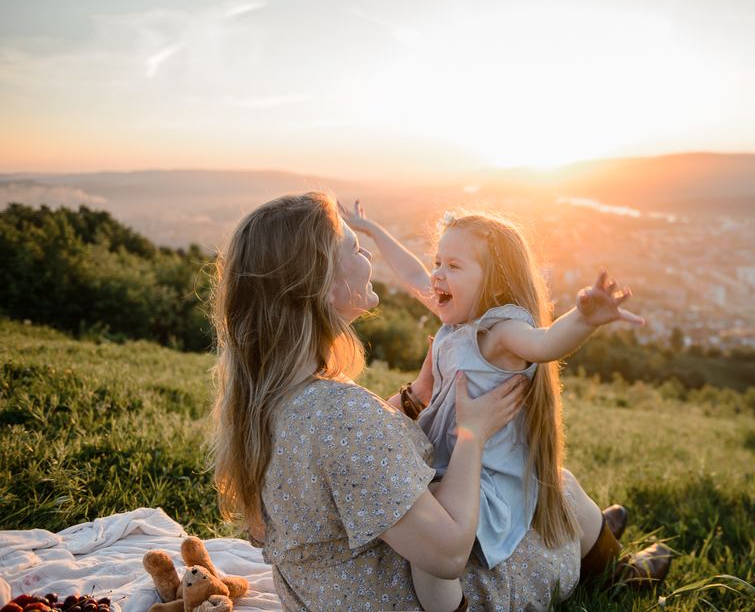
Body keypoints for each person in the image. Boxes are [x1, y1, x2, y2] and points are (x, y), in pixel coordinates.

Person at [210, 192, 668, 612]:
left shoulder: (272, 398)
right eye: (353, 248)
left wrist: (411, 400)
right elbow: (448, 553)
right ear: (322, 287)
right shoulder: (341, 415)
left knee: (554, 494)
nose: (365, 254)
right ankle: (614, 570)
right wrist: (472, 432)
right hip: (396, 593)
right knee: (561, 493)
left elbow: (343, 455)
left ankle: (598, 546)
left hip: (330, 588)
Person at [339, 202, 646, 611]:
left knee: (432, 547)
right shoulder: (458, 321)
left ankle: (456, 607)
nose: (436, 274)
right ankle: (600, 542)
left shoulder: (500, 330)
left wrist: (585, 319)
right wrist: (371, 227)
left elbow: (545, 343)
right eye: (438, 262)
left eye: (453, 266)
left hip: (483, 480)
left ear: (494, 281)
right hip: (451, 463)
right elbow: (412, 273)